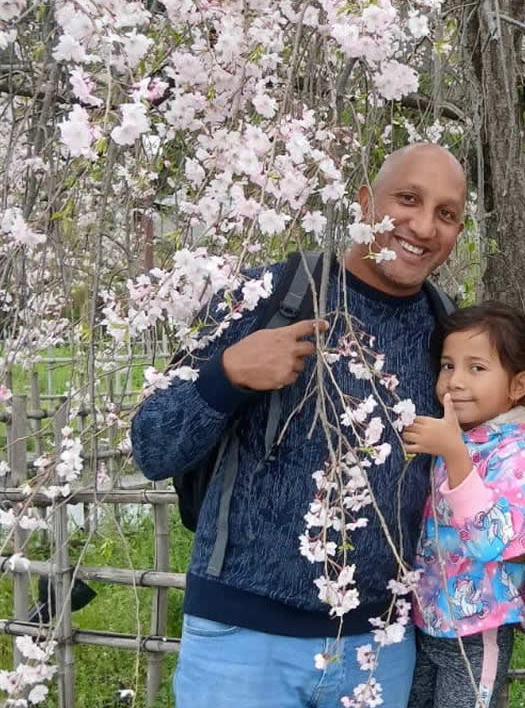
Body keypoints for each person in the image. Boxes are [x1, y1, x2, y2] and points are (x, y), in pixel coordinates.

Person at [130, 142, 467, 708]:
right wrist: (227, 374)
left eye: (447, 213)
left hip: (378, 649)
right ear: (364, 203)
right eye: (407, 199)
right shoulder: (269, 295)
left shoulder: (448, 333)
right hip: (242, 643)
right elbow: (151, 446)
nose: (424, 225)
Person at [401, 302, 525, 708]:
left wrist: (454, 454)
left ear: (518, 385)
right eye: (447, 365)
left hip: (477, 627)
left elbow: (496, 542)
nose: (454, 381)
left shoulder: (523, 452)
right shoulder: (455, 436)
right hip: (426, 620)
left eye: (476, 368)